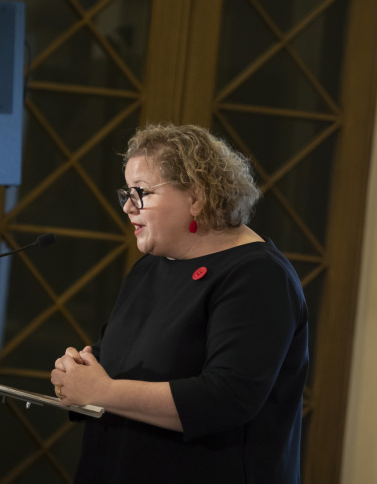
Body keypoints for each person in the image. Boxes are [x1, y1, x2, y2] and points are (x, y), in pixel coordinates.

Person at [50, 123, 309, 483]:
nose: (128, 206)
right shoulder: (150, 268)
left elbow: (227, 398)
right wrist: (80, 373)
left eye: (140, 192)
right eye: (126, 192)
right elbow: (121, 367)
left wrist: (104, 391)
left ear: (196, 197)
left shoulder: (259, 276)